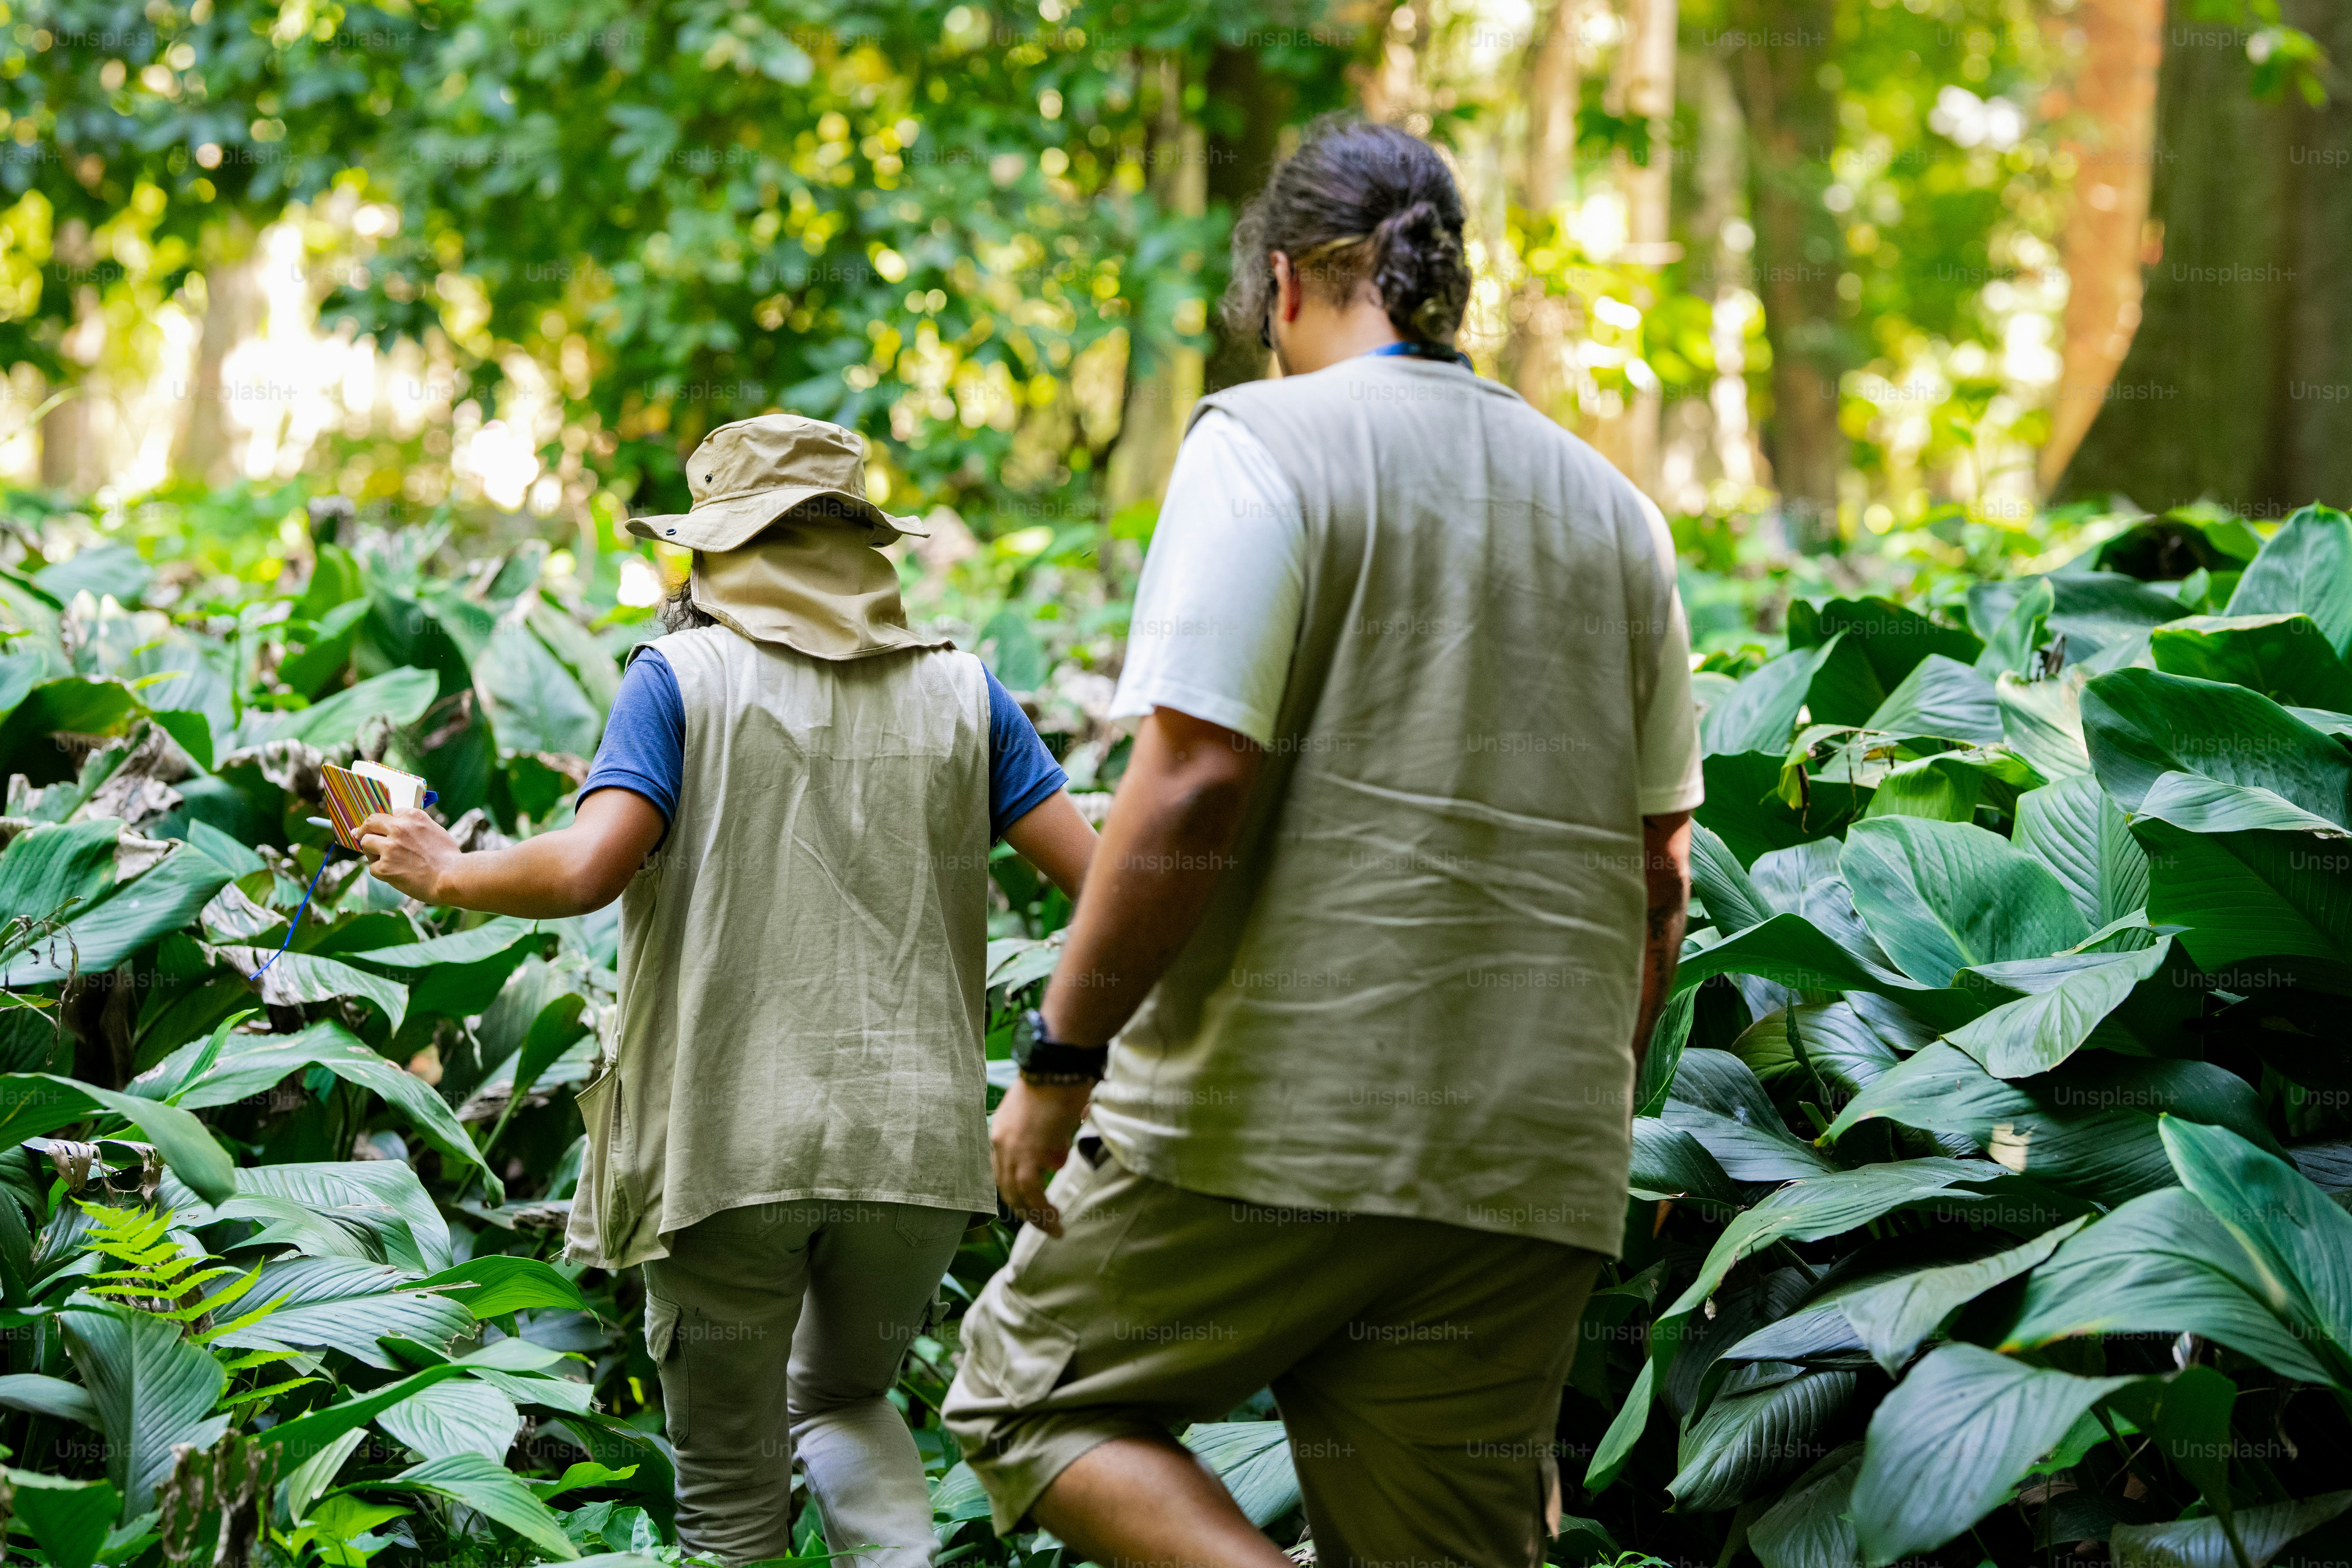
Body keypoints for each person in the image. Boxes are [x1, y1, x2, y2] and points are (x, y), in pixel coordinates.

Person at [940, 119, 1702, 1568]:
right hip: (1530, 1175)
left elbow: (1193, 783)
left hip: (1270, 1130)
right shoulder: (1621, 519)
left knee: (1028, 1397)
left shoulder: (1261, 442)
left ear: (1283, 285)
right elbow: (1660, 870)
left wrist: (1058, 1059)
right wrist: (1580, 1126)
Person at [357, 412, 1097, 1568]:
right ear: (862, 545)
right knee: (847, 1400)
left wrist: (447, 870)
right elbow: (1104, 885)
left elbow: (595, 863)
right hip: (909, 1148)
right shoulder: (965, 691)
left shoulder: (682, 677)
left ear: (719, 552)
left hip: (727, 1147)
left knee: (729, 1505)